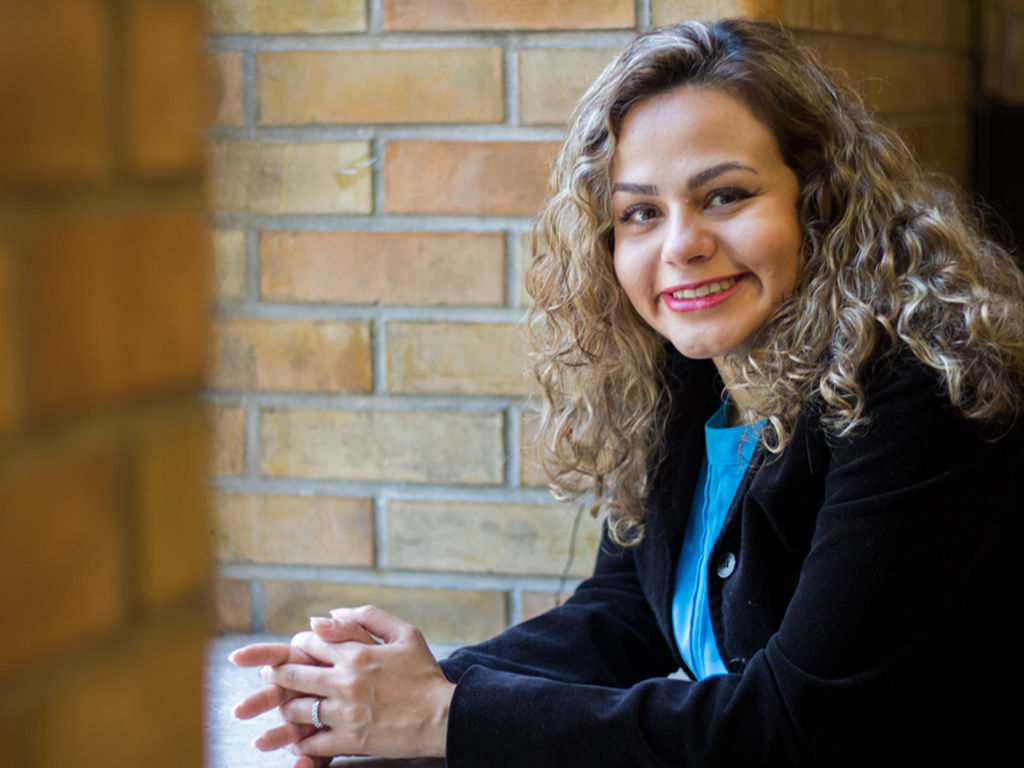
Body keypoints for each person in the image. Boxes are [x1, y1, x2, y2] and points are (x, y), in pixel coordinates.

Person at [229, 18, 1024, 767]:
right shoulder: (687, 379)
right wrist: (398, 686)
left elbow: (786, 729)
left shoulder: (920, 396)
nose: (682, 245)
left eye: (725, 195)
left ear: (819, 200)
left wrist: (445, 716)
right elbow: (624, 616)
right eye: (641, 213)